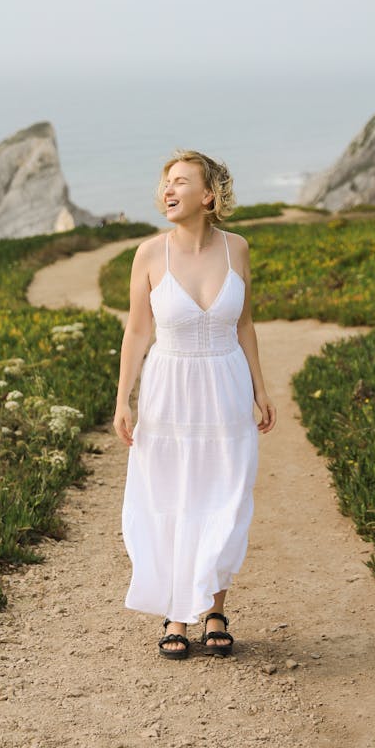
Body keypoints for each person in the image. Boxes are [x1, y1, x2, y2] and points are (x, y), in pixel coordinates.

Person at [113, 149, 276, 659]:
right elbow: (138, 331)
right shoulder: (148, 254)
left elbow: (244, 323)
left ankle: (214, 609)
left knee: (224, 499)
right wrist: (123, 398)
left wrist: (260, 387)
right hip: (169, 390)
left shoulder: (237, 250)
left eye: (180, 181)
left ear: (208, 195)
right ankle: (176, 614)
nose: (167, 189)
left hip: (225, 387)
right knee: (171, 498)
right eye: (165, 181)